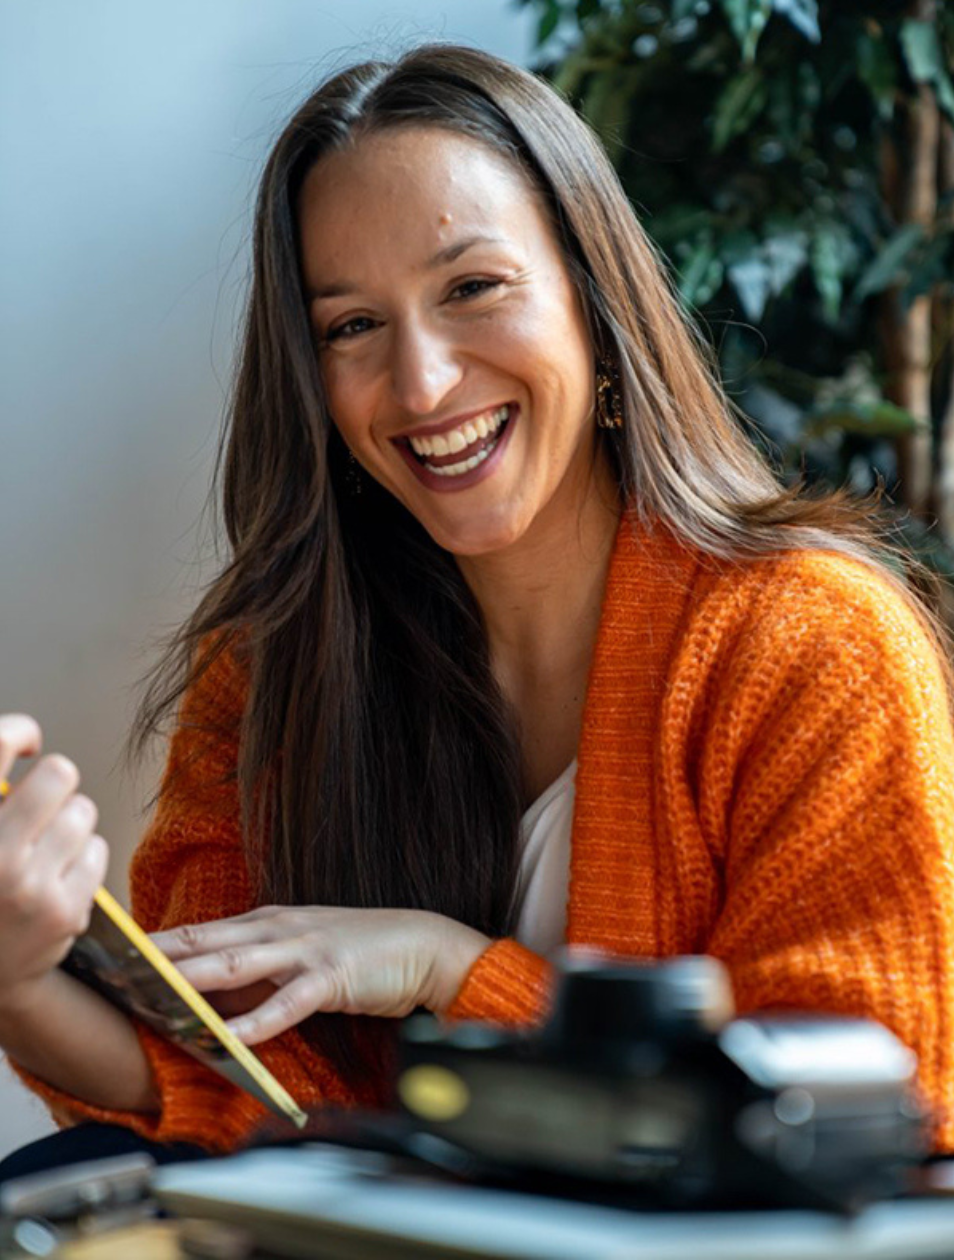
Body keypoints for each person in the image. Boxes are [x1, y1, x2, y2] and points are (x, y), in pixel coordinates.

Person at [3, 43, 954, 1180]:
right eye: (352, 326)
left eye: (472, 289)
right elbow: (231, 1087)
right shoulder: (274, 668)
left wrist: (450, 970)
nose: (422, 385)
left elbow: (861, 1107)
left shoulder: (817, 642)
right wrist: (19, 976)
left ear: (595, 302)